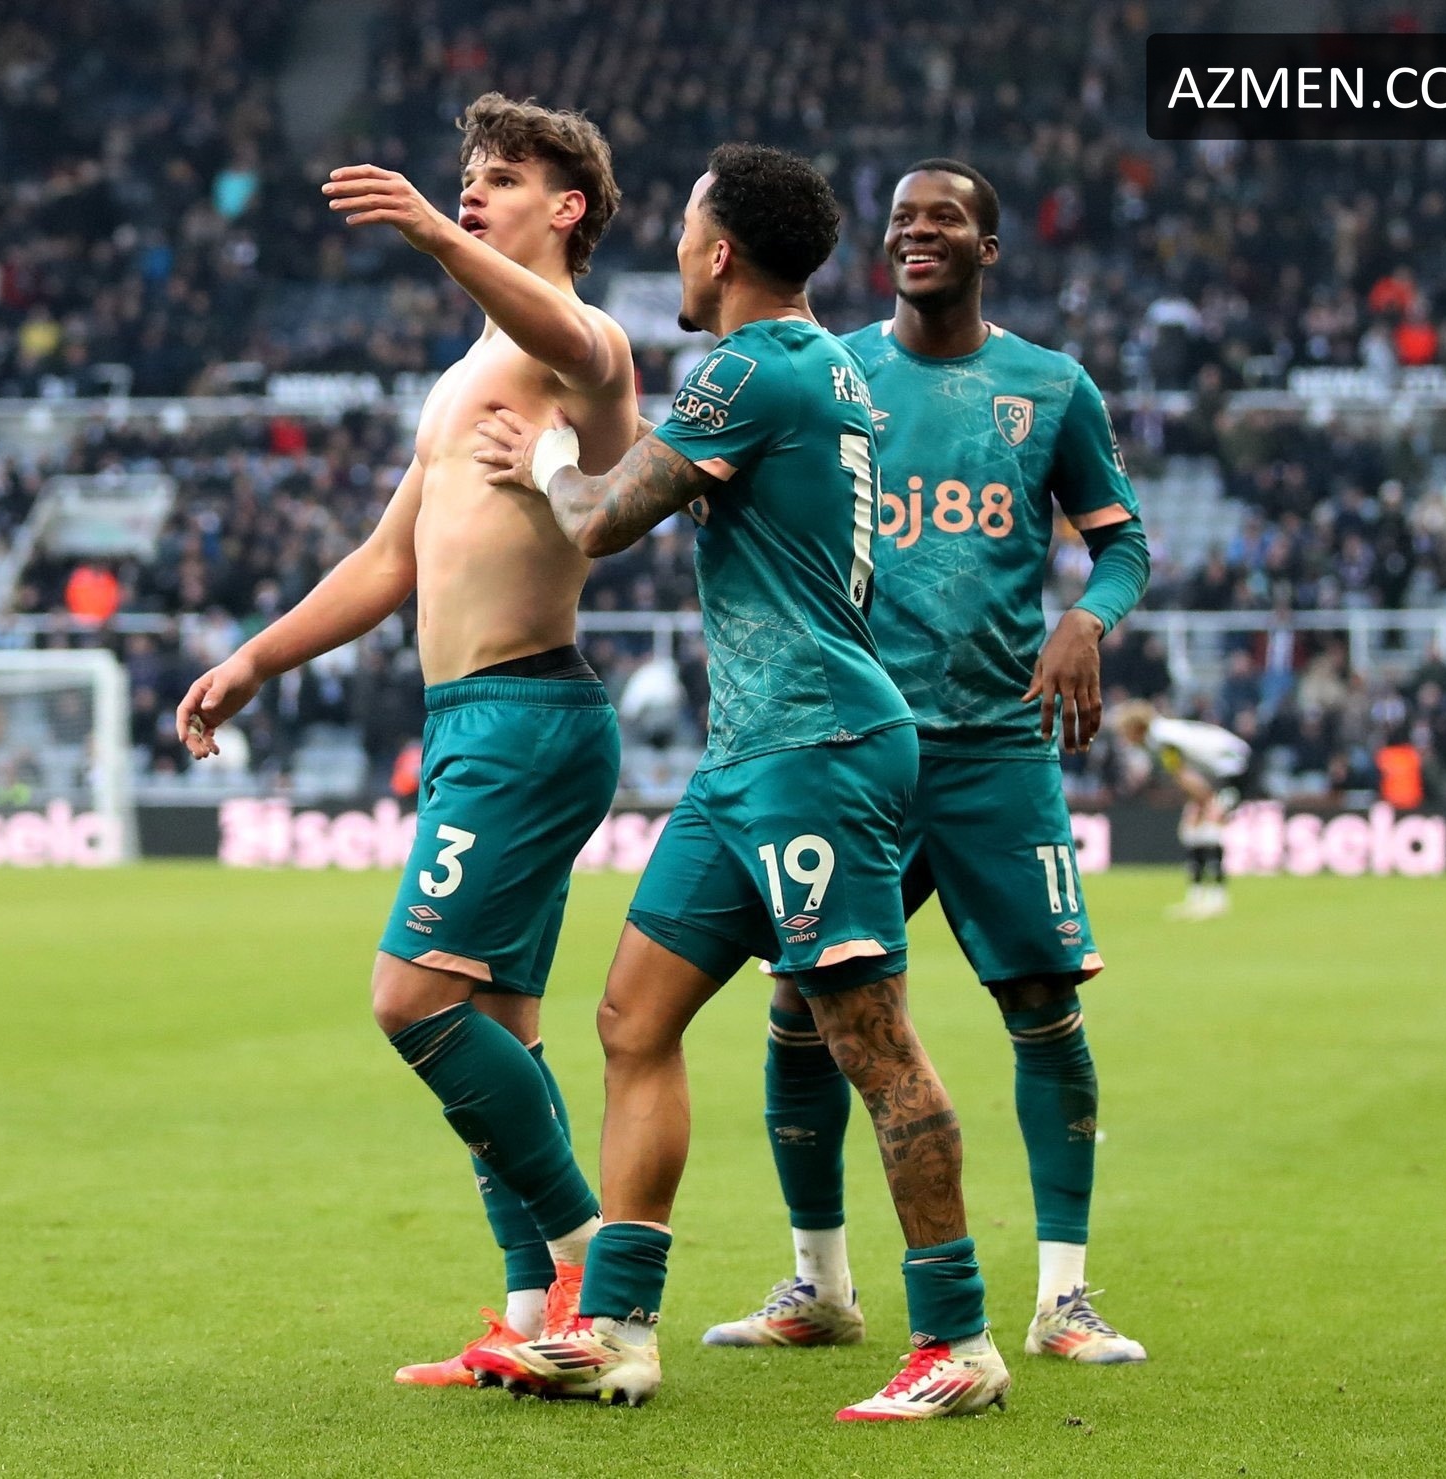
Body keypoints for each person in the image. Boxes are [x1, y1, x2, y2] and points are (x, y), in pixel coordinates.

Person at [469, 144, 1007, 1421]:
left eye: (682, 228)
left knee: (869, 1041)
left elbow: (601, 519)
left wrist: (542, 459)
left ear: (719, 253)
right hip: (751, 752)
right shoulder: (820, 367)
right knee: (631, 1019)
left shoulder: (751, 369)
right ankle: (617, 1326)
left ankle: (958, 1339)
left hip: (815, 747)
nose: (670, 248)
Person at [172, 95, 638, 1385]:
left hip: (526, 718)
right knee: (498, 1022)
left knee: (411, 997)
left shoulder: (578, 341)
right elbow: (388, 559)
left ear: (568, 209)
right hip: (471, 720)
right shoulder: (463, 376)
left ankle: (592, 1268)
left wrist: (435, 233)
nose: (472, 190)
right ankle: (533, 1319)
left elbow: (594, 364)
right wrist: (255, 659)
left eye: (502, 179)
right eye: (465, 176)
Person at [703, 159, 1153, 1367]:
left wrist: (1085, 619)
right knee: (802, 1006)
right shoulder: (834, 373)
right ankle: (819, 1286)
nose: (917, 232)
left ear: (984, 247)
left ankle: (1062, 1298)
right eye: (901, 219)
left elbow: (1121, 545)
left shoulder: (1048, 387)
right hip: (855, 751)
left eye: (942, 218)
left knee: (1042, 1006)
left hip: (996, 747)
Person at [1114, 701, 1252, 919]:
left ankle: (1217, 899)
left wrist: (1205, 801)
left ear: (1136, 727)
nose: (1124, 737)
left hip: (1234, 768)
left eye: (1125, 731)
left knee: (1210, 829)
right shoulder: (1160, 733)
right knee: (1192, 830)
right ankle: (1197, 898)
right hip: (1217, 771)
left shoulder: (1161, 739)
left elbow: (1182, 773)